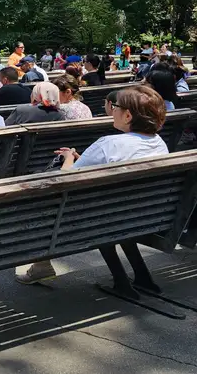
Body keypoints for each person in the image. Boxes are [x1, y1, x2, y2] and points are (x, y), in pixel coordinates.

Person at [17, 85, 169, 284]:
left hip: (98, 218)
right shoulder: (159, 143)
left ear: (128, 116)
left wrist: (69, 157)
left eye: (116, 106)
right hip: (139, 214)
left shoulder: (109, 144)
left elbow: (66, 179)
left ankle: (41, 265)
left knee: (43, 201)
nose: (112, 109)